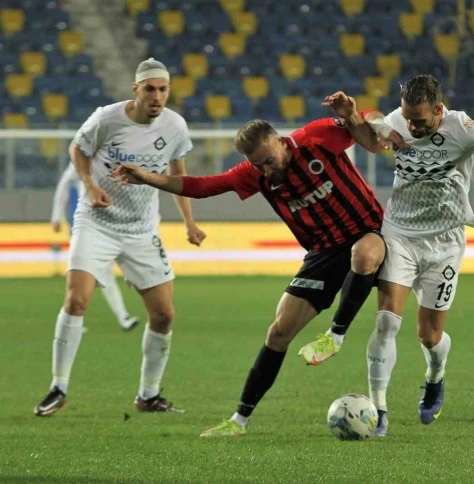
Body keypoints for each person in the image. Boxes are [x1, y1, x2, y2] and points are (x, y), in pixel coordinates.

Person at [300, 74, 474, 436]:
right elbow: (371, 140)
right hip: (400, 234)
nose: (412, 126)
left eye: (420, 121)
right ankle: (379, 411)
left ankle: (435, 375)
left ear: (439, 110)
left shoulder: (462, 127)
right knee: (386, 323)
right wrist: (352, 118)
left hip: (444, 243)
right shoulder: (396, 121)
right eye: (408, 119)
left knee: (429, 336)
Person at [112, 102, 387, 438]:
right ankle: (239, 421)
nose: (267, 170)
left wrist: (358, 115)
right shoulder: (255, 174)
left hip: (369, 231)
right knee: (277, 333)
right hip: (324, 251)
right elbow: (201, 187)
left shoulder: (314, 137)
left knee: (365, 254)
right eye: (258, 165)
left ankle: (335, 336)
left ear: (281, 142)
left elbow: (368, 122)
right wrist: (146, 178)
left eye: (269, 160)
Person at [33, 58, 206, 417]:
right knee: (76, 301)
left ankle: (148, 395)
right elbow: (77, 151)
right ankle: (58, 387)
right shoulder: (106, 119)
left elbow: (178, 175)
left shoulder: (175, 126)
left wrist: (189, 222)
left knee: (163, 315)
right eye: (150, 89)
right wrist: (91, 185)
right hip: (97, 222)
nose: (157, 97)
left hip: (142, 230)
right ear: (135, 90)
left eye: (163, 89)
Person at [51, 162, 140, 332]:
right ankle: (122, 317)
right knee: (97, 272)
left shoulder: (111, 159)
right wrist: (56, 216)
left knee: (94, 273)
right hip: (86, 225)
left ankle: (74, 319)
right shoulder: (85, 159)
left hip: (107, 223)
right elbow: (64, 184)